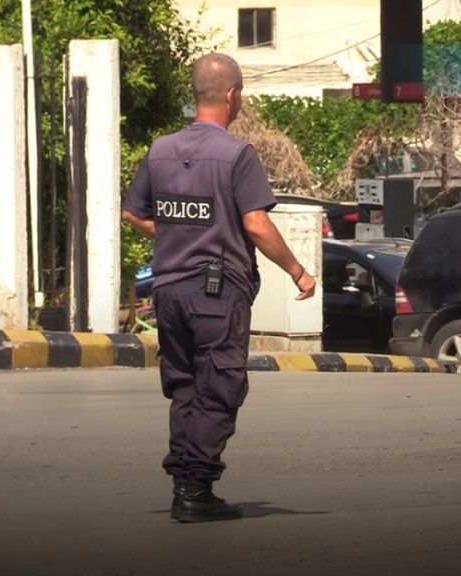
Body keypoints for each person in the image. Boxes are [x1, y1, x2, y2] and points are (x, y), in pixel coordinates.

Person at [121, 53, 317, 523]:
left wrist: (176, 235)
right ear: (232, 95)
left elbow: (133, 212)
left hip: (168, 290)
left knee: (185, 386)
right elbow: (256, 224)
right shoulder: (237, 155)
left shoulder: (160, 150)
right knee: (220, 386)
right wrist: (298, 271)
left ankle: (183, 484)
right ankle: (196, 489)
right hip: (216, 293)